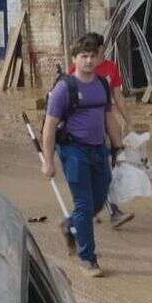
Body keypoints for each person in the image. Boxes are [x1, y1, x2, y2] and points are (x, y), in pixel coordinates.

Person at [40, 32, 125, 278]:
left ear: (99, 58)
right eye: (83, 56)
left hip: (99, 149)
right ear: (75, 59)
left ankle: (71, 226)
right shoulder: (64, 89)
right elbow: (49, 126)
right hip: (73, 150)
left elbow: (108, 116)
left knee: (100, 196)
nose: (88, 61)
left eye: (92, 56)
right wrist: (48, 162)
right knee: (84, 204)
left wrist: (118, 146)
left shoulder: (101, 85)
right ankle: (88, 257)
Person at [66, 42, 135, 230]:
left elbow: (117, 98)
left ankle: (107, 210)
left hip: (106, 124)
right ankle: (92, 211)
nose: (92, 59)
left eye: (97, 53)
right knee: (90, 174)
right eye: (88, 55)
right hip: (83, 133)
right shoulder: (77, 70)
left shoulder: (111, 69)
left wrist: (128, 122)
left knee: (107, 171)